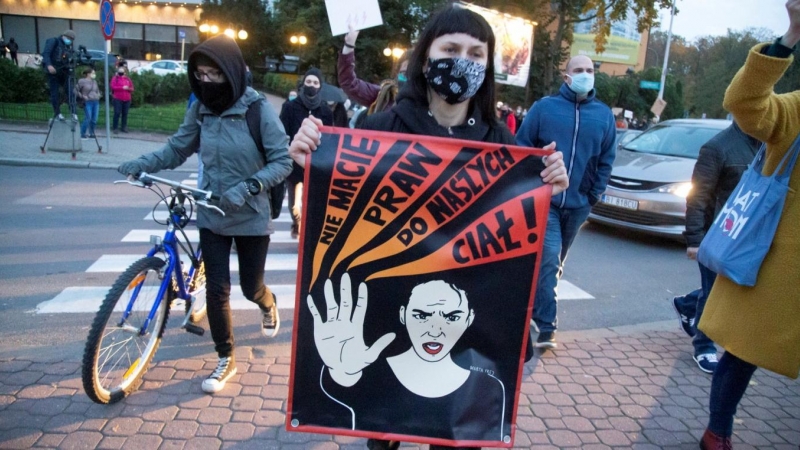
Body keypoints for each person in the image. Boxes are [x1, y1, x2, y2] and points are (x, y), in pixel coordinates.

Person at [288, 5, 569, 449]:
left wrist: (547, 184)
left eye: (477, 53)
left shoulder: (502, 143)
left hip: (463, 327)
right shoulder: (383, 129)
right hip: (386, 313)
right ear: (425, 58)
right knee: (383, 431)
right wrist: (312, 162)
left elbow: (515, 236)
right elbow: (346, 214)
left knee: (454, 438)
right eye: (451, 48)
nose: (464, 61)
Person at [116, 35, 292, 395]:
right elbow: (178, 148)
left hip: (251, 213)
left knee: (250, 286)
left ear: (231, 71)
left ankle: (268, 303)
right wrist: (141, 164)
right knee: (217, 289)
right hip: (212, 211)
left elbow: (283, 161)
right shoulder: (201, 108)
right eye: (201, 74)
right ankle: (225, 357)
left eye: (215, 73)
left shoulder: (258, 111)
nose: (208, 81)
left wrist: (247, 188)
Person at [697, 1, 800, 448]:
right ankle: (717, 432)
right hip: (778, 267)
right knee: (740, 355)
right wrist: (791, 34)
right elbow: (744, 102)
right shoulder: (796, 111)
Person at [515, 54, 616, 350]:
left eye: (590, 70)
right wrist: (535, 183)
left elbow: (607, 159)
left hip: (579, 204)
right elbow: (522, 146)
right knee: (548, 255)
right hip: (546, 199)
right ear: (566, 76)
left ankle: (536, 304)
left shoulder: (604, 115)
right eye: (579, 70)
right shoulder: (544, 109)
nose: (585, 74)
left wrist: (593, 194)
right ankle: (547, 326)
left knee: (555, 263)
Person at [672, 122, 760, 375]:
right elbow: (698, 196)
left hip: (746, 236)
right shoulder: (718, 147)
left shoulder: (767, 145)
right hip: (717, 234)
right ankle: (703, 346)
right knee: (714, 293)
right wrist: (694, 240)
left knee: (726, 287)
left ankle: (687, 304)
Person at [279, 68, 333, 239]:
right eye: (309, 82)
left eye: (315, 83)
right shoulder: (290, 107)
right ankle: (297, 223)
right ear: (303, 84)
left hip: (316, 163)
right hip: (294, 163)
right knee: (295, 198)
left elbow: (331, 136)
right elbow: (283, 132)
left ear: (320, 86)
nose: (311, 86)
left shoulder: (325, 111)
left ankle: (309, 230)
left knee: (314, 201)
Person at [338, 25, 408, 116]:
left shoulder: (430, 100)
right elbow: (349, 83)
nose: (409, 77)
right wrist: (349, 45)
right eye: (404, 73)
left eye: (414, 72)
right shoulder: (383, 95)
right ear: (397, 72)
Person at [42, 30, 78, 121]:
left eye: (71, 40)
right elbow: (46, 54)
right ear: (64, 36)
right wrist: (49, 65)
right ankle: (57, 113)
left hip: (64, 72)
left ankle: (73, 112)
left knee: (70, 91)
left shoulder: (67, 46)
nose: (70, 41)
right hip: (53, 71)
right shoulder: (54, 41)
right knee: (55, 93)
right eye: (69, 38)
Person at [74, 67, 101, 140]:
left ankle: (91, 133)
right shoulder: (82, 81)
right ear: (88, 74)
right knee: (88, 118)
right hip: (87, 101)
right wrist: (82, 96)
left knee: (94, 119)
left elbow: (97, 90)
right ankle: (82, 133)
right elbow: (76, 90)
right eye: (93, 73)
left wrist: (98, 95)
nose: (94, 74)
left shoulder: (94, 82)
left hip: (95, 101)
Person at [110, 65, 134, 133]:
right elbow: (113, 87)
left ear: (125, 72)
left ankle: (124, 127)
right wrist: (122, 87)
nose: (121, 73)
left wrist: (128, 88)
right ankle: (115, 127)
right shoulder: (115, 78)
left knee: (125, 113)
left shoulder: (127, 79)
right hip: (118, 98)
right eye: (120, 72)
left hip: (127, 99)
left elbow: (132, 88)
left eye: (122, 72)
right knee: (117, 113)